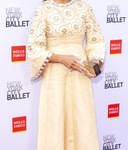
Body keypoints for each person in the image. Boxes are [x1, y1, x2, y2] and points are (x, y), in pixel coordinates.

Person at [26, 0, 106, 149]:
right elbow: (34, 48)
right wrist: (62, 58)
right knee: (55, 118)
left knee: (83, 117)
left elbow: (96, 40)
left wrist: (95, 65)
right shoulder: (43, 10)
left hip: (80, 72)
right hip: (54, 74)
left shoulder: (84, 7)